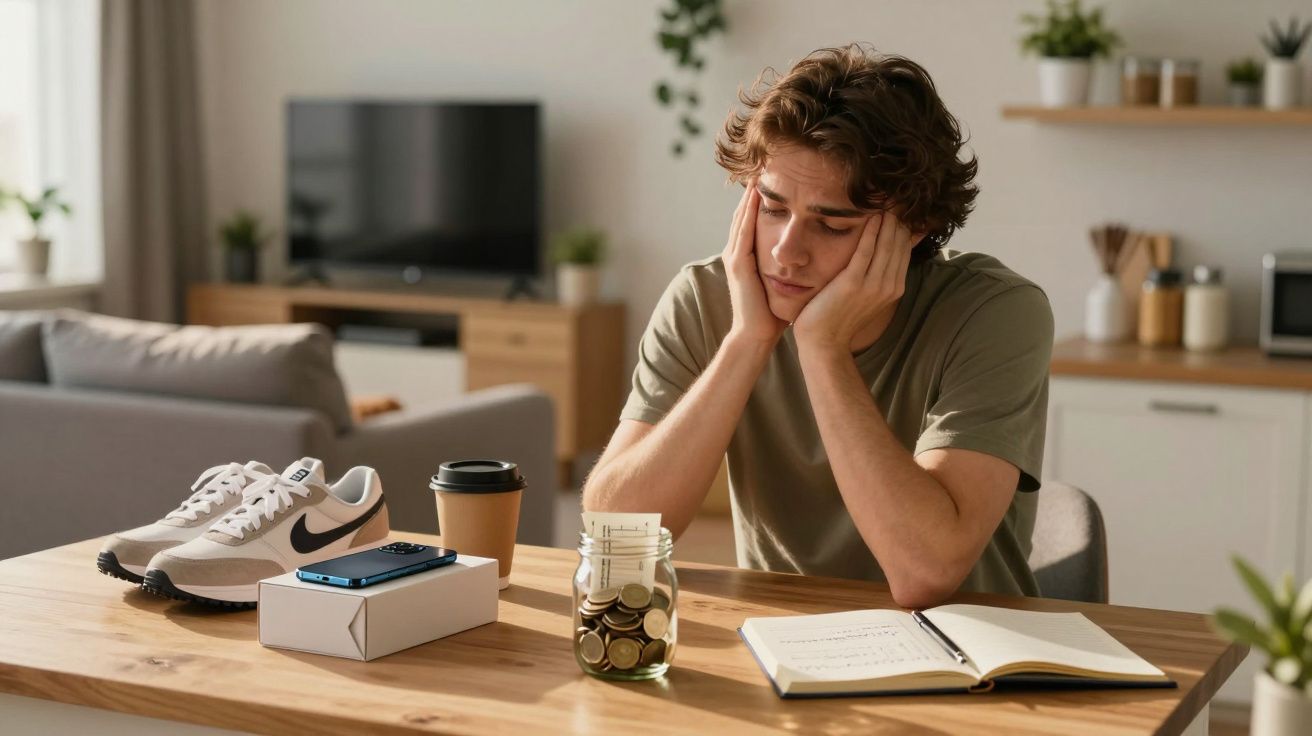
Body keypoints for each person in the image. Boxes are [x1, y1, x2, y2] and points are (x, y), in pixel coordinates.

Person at [581, 44, 1054, 608]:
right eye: (774, 209)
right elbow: (615, 535)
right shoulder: (707, 299)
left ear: (915, 228)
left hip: (966, 657)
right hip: (782, 647)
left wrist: (823, 347)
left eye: (832, 226)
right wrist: (746, 342)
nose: (786, 252)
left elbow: (925, 572)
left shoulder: (996, 313)